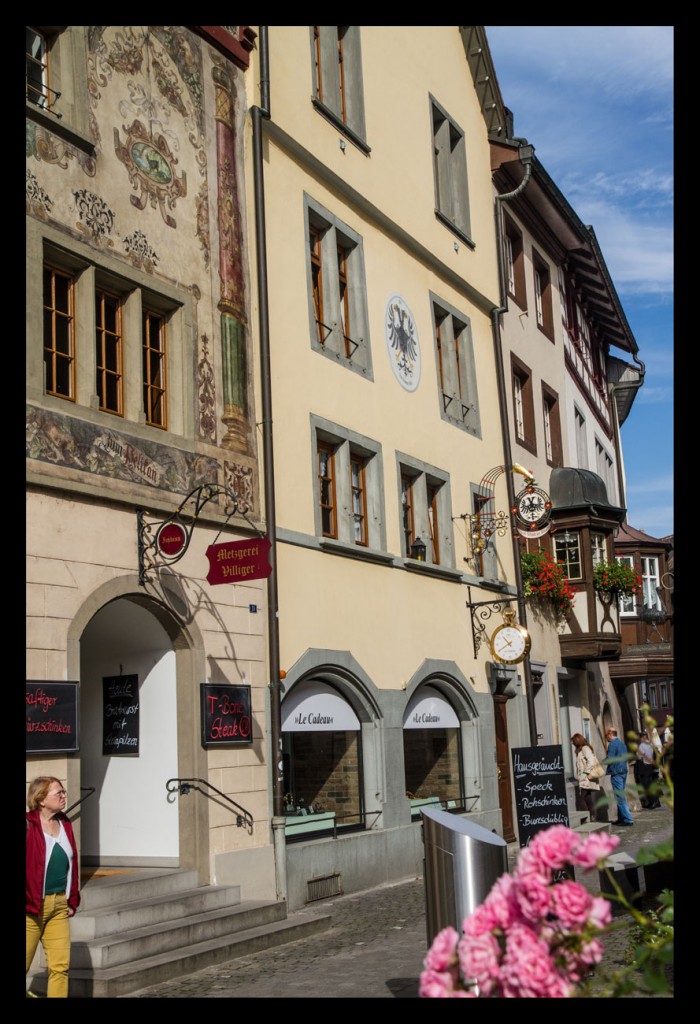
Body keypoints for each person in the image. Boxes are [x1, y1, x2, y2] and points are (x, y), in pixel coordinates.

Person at [26, 776, 80, 998]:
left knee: (60, 968)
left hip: (58, 905)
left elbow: (72, 865)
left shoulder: (64, 823)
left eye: (63, 791)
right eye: (58, 793)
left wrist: (71, 900)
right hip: (30, 908)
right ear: (41, 799)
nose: (63, 796)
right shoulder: (29, 824)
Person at [604, 727, 633, 826]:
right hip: (623, 771)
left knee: (620, 797)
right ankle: (621, 818)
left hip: (616, 772)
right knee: (620, 795)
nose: (606, 738)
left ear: (610, 734)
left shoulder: (612, 744)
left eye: (606, 735)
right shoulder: (622, 744)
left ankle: (628, 819)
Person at [571, 733, 601, 819]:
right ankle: (592, 816)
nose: (573, 744)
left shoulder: (585, 748)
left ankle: (586, 817)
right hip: (584, 778)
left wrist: (585, 773)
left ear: (577, 741)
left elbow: (591, 761)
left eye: (573, 742)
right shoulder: (581, 749)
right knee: (587, 798)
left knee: (581, 798)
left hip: (586, 778)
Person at [636, 731, 661, 809]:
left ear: (642, 738)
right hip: (649, 767)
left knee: (647, 786)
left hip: (644, 767)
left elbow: (640, 756)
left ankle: (654, 802)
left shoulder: (642, 745)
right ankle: (655, 802)